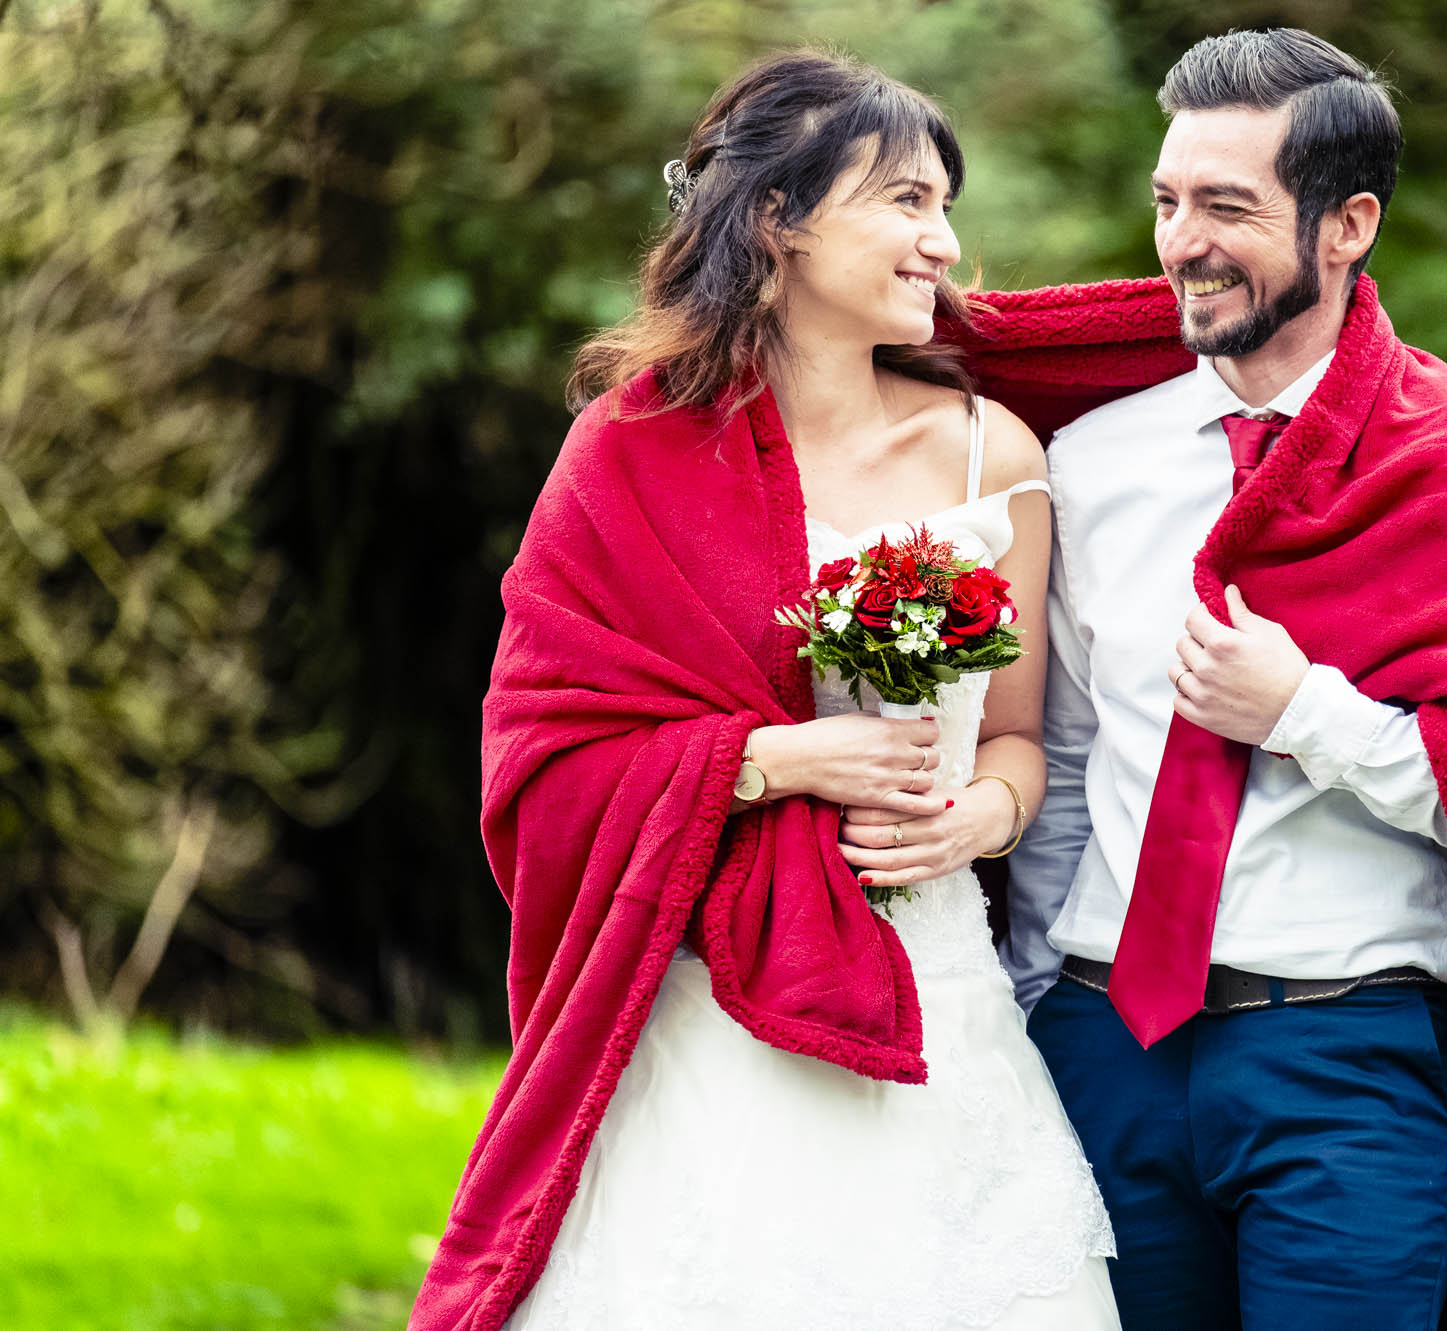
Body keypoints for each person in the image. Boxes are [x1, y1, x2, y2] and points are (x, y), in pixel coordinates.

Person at [409, 51, 1119, 1331]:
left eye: (945, 207)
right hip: (708, 1018)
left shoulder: (988, 452)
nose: (944, 242)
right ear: (779, 217)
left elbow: (1019, 737)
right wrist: (777, 760)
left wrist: (981, 818)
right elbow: (541, 748)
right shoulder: (629, 450)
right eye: (905, 201)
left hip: (942, 1008)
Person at [982, 28, 1447, 1331]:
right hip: (1106, 1044)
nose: (1182, 243)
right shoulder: (1092, 461)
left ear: (1348, 226)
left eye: (1227, 208)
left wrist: (1303, 715)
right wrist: (1037, 1002)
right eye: (1167, 201)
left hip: (1343, 1063)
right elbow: (1068, 759)